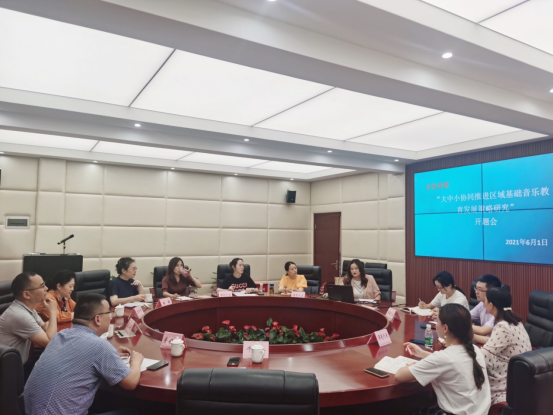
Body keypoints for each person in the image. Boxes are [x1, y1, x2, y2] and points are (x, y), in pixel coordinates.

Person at [24, 293, 144, 415]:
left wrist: (112, 356)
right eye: (109, 312)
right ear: (98, 319)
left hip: (29, 411)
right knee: (133, 411)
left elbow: (77, 358)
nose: (111, 316)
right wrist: (135, 361)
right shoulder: (99, 346)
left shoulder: (60, 335)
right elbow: (130, 383)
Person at [396, 304, 491, 415]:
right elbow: (448, 361)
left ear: (445, 328)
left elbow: (399, 376)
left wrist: (412, 365)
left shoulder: (444, 358)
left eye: (437, 321)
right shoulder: (475, 349)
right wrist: (422, 354)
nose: (436, 324)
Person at [0, 272, 58, 380]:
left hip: (22, 362)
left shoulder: (27, 308)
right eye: (42, 286)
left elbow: (45, 326)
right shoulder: (19, 315)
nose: (46, 288)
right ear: (27, 294)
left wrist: (48, 326)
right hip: (9, 371)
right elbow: (50, 342)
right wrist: (53, 312)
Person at [478, 288, 531, 404]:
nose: (484, 304)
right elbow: (493, 343)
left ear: (491, 305)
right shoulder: (515, 322)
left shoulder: (503, 326)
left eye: (485, 301)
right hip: (519, 377)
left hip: (505, 383)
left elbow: (482, 357)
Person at [471, 274, 502, 340]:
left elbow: (483, 331)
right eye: (476, 288)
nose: (476, 292)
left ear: (491, 292)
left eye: (480, 290)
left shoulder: (500, 310)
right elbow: (466, 316)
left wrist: (460, 326)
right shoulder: (482, 303)